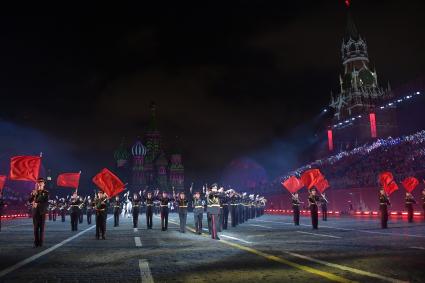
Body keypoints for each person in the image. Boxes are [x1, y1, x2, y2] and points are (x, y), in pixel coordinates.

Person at [29, 178, 49, 247]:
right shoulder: (34, 192)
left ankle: (41, 243)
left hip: (42, 212)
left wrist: (37, 204)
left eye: (41, 182)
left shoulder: (46, 192)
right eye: (38, 182)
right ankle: (36, 242)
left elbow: (46, 202)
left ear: (44, 184)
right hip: (35, 212)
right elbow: (29, 200)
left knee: (42, 228)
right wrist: (32, 195)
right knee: (35, 228)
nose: (40, 183)